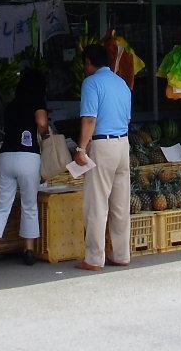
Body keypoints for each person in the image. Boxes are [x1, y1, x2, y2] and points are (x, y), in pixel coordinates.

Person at [0, 68, 49, 269]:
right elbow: (41, 122)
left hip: (6, 156)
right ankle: (29, 251)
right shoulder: (37, 102)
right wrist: (45, 133)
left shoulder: (11, 105)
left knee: (1, 206)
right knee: (29, 205)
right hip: (28, 157)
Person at [73, 42, 132, 271]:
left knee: (97, 204)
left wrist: (81, 149)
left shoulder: (91, 83)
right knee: (120, 204)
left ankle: (94, 258)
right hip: (123, 144)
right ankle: (121, 254)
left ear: (89, 62)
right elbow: (127, 118)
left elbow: (89, 119)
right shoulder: (122, 83)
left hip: (102, 145)